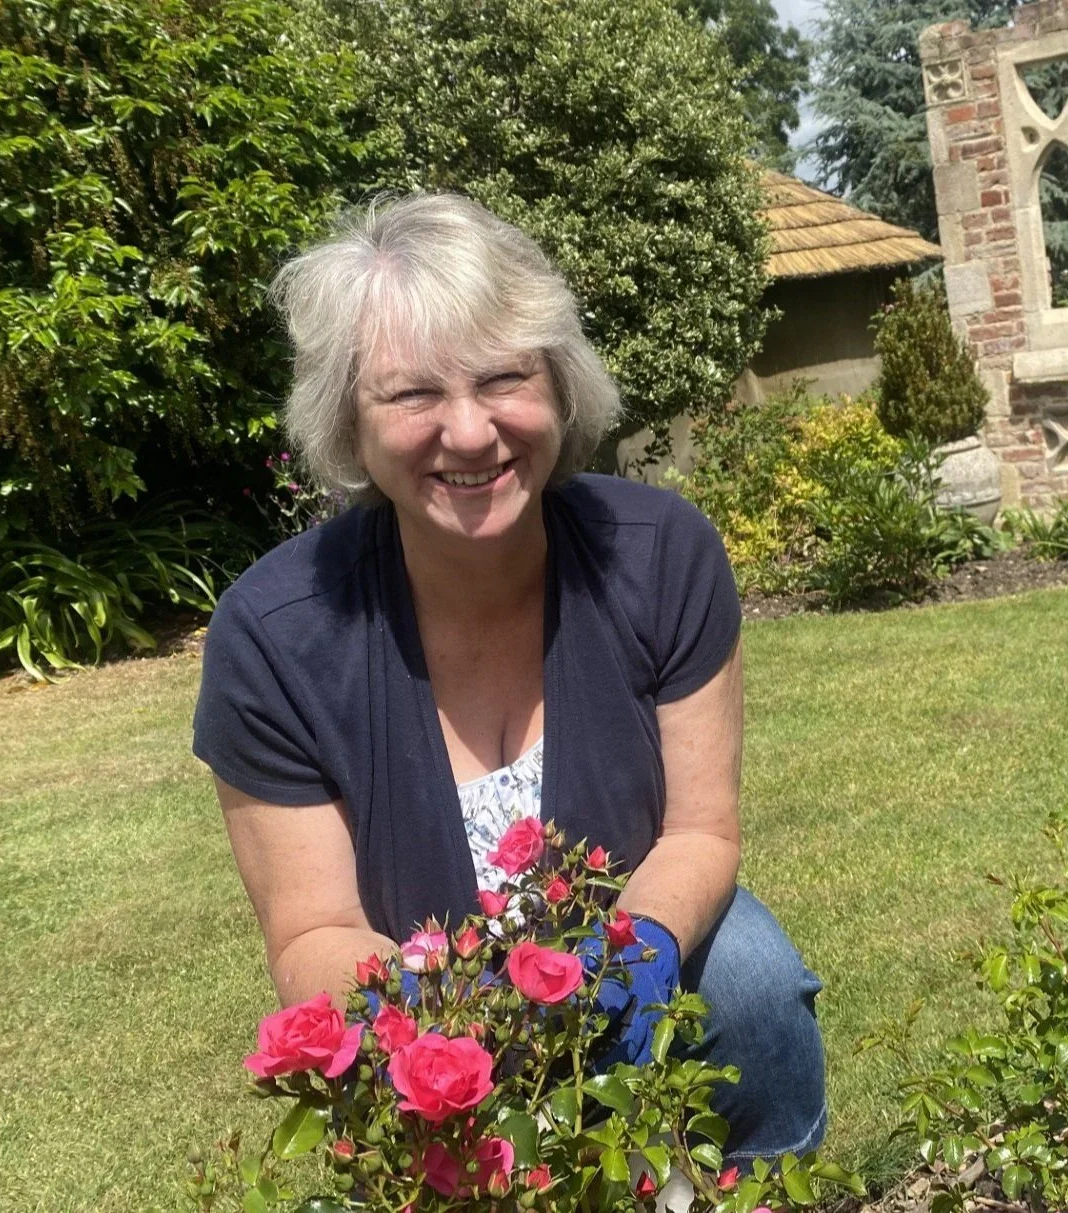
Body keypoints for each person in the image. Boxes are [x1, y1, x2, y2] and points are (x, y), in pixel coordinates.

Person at [191, 193, 826, 1164]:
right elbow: (313, 931)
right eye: (411, 396)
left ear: (559, 386)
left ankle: (761, 1179)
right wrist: (453, 1025)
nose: (472, 431)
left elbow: (701, 830)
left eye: (502, 378)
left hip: (628, 937)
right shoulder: (273, 639)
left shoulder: (661, 558)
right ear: (348, 425)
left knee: (742, 972)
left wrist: (633, 955)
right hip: (426, 1015)